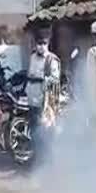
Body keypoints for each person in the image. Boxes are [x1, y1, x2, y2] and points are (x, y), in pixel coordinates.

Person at [27, 27, 61, 161]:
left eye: (44, 43)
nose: (41, 46)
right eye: (39, 43)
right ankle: (37, 159)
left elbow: (55, 79)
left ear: (48, 43)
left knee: (46, 133)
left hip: (45, 103)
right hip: (32, 101)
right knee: (35, 133)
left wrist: (43, 78)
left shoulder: (52, 60)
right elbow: (29, 74)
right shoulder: (32, 57)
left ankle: (48, 161)